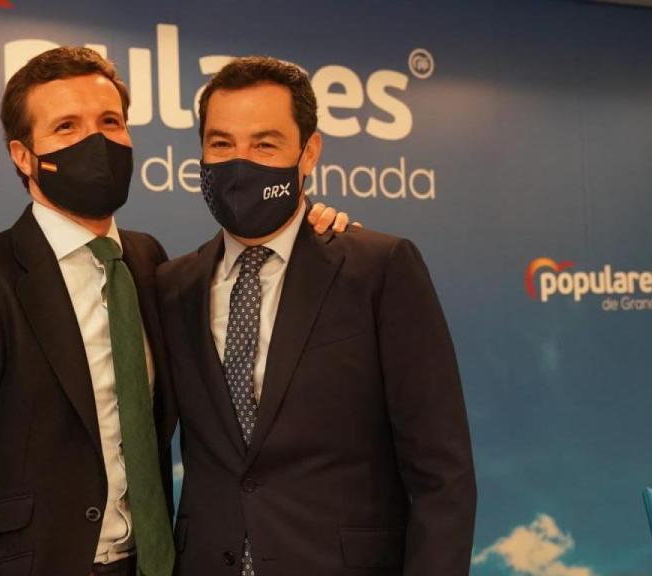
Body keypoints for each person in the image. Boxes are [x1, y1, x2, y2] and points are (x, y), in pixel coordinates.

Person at [0, 47, 348, 576]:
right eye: (66, 127)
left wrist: (313, 230)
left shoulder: (151, 263)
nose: (96, 141)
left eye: (110, 121)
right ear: (23, 154)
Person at [157, 56, 476, 576]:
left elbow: (442, 473)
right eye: (221, 144)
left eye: (265, 144)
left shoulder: (378, 269)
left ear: (309, 153)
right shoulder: (173, 286)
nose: (240, 163)